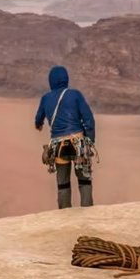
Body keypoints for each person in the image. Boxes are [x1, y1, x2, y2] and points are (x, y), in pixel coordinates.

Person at [34, 65, 97, 209]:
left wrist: (39, 125)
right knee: (84, 181)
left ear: (51, 81)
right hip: (78, 144)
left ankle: (64, 215)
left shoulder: (45, 98)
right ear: (66, 79)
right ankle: (88, 214)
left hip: (58, 146)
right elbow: (89, 119)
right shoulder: (75, 95)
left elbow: (38, 120)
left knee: (63, 184)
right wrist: (90, 141)